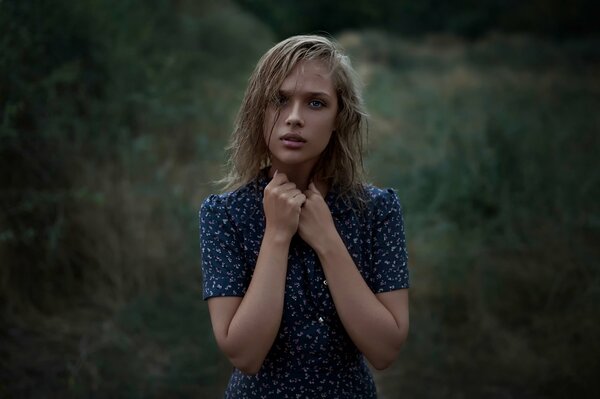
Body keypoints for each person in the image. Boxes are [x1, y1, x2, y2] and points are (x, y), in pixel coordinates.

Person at [199, 35, 410, 398]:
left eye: (316, 103)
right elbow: (245, 355)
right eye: (279, 100)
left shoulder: (376, 210)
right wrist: (277, 235)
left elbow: (385, 349)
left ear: (338, 119)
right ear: (257, 111)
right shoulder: (224, 214)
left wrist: (327, 239)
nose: (294, 118)